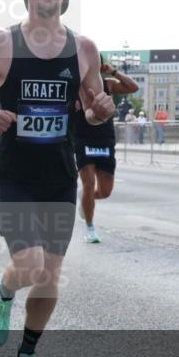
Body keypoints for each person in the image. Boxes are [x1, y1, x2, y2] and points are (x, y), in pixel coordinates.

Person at [0, 0, 115, 357]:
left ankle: (28, 355)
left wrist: (101, 109)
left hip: (59, 174)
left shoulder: (84, 49)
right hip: (14, 173)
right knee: (27, 266)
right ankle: (3, 292)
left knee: (49, 275)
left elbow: (92, 112)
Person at [73, 63, 139, 243]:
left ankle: (85, 198)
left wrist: (114, 71)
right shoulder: (75, 84)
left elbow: (133, 87)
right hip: (83, 138)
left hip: (105, 139)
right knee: (88, 183)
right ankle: (90, 228)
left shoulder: (107, 84)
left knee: (105, 191)